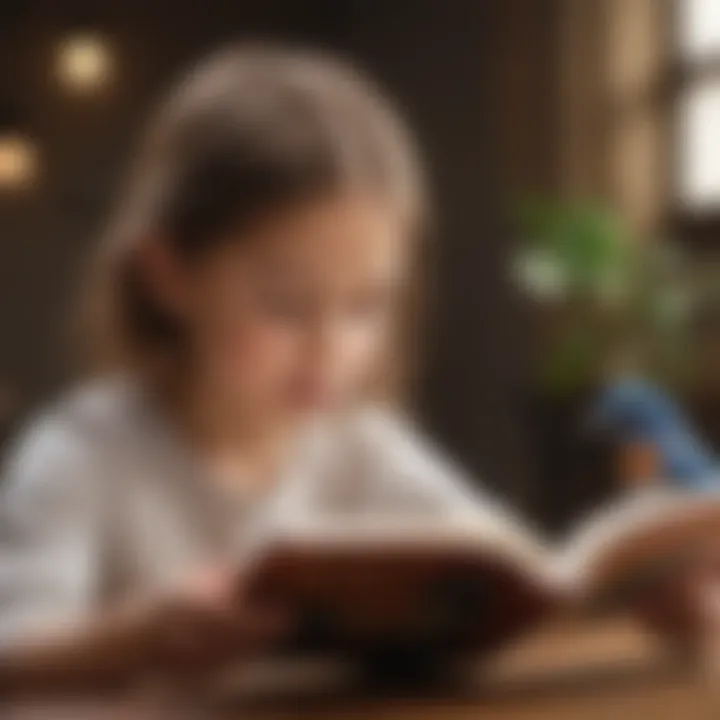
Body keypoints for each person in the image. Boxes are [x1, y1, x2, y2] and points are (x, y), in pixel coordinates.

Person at [0, 44, 516, 693]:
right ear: (169, 276)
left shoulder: (364, 446)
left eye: (366, 306)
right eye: (286, 306)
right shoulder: (84, 455)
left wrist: (634, 590)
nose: (330, 351)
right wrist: (136, 640)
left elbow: (506, 567)